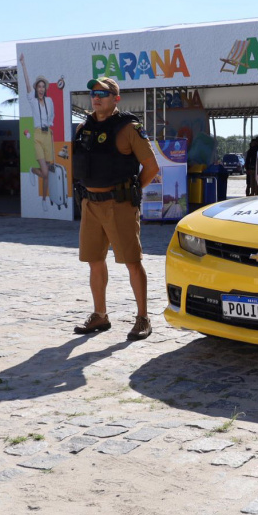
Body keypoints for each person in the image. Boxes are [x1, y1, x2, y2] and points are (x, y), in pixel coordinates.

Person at [71, 77, 161, 341]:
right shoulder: (83, 128)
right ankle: (100, 315)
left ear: (116, 98)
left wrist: (132, 191)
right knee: (94, 261)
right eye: (93, 93)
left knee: (132, 261)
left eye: (103, 93)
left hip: (119, 204)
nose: (96, 98)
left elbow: (152, 167)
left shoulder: (129, 128)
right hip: (90, 203)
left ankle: (143, 318)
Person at [19, 53, 55, 206]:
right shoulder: (33, 101)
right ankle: (34, 170)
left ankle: (44, 199)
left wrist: (50, 126)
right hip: (38, 135)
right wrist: (23, 65)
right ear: (36, 88)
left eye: (43, 86)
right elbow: (27, 84)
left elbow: (52, 115)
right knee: (45, 172)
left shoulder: (49, 101)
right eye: (39, 86)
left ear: (45, 88)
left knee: (48, 173)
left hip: (48, 135)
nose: (41, 89)